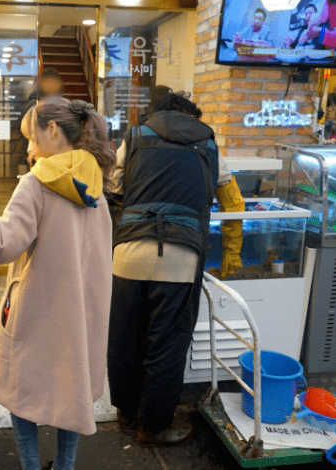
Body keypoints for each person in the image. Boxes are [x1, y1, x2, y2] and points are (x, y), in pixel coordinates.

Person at [0, 97, 115, 470]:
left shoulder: (38, 182)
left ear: (52, 130)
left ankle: (30, 465)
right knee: (73, 388)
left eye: (31, 137)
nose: (28, 148)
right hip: (83, 310)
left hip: (38, 307)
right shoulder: (96, 185)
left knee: (21, 388)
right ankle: (65, 465)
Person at [107, 92, 245, 447]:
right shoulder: (209, 144)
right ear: (191, 116)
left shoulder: (136, 136)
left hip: (129, 252)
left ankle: (125, 414)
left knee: (125, 337)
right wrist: (232, 251)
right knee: (166, 344)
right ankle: (154, 428)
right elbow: (234, 201)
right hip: (180, 257)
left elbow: (114, 186)